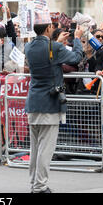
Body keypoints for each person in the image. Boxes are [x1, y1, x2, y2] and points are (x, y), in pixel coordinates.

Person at [25, 21, 84, 193]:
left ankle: (34, 184)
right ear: (48, 28)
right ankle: (40, 186)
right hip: (50, 102)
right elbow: (76, 58)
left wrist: (57, 42)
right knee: (45, 149)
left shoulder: (29, 46)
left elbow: (50, 52)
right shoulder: (54, 47)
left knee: (35, 148)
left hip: (34, 100)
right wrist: (78, 39)